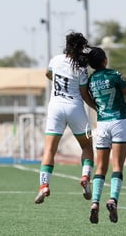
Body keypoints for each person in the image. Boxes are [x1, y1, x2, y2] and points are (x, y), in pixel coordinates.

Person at [34, 32, 96, 204]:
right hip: (75, 108)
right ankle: (85, 177)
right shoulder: (82, 67)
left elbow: (48, 74)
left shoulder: (55, 60)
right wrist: (97, 107)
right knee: (87, 147)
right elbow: (84, 94)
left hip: (55, 108)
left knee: (49, 150)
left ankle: (44, 186)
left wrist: (58, 80)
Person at [86, 47, 126, 224]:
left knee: (100, 167)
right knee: (117, 166)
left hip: (101, 124)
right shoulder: (114, 74)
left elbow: (88, 98)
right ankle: (112, 200)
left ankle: (95, 203)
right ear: (104, 60)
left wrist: (99, 108)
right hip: (118, 122)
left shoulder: (91, 79)